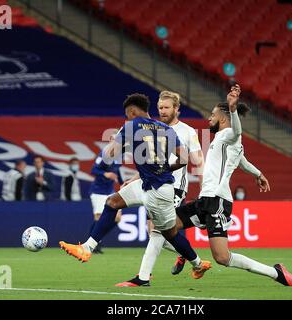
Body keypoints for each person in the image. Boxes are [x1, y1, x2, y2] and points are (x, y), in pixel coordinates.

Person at [59, 93, 211, 280]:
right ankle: (87, 248)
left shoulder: (130, 126)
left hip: (159, 191)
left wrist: (116, 147)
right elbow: (185, 158)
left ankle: (196, 264)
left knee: (168, 233)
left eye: (126, 115)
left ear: (131, 111)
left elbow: (108, 156)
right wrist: (163, 167)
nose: (126, 118)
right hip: (148, 183)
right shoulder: (164, 128)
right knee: (113, 202)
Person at [169, 85, 292, 287]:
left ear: (223, 118)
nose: (208, 119)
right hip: (205, 200)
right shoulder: (223, 141)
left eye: (212, 115)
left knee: (222, 257)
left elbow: (237, 132)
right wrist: (258, 174)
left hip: (217, 201)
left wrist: (232, 108)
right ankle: (190, 257)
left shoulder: (230, 134)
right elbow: (241, 160)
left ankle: (276, 273)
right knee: (168, 226)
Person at [115, 90, 205, 286]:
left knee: (157, 231)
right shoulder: (154, 128)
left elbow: (198, 160)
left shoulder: (188, 131)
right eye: (160, 108)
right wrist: (133, 179)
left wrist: (205, 184)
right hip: (153, 185)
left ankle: (143, 277)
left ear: (176, 109)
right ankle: (187, 255)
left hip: (174, 187)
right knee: (154, 231)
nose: (162, 111)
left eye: (166, 108)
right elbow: (150, 163)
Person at [88, 131, 123, 254]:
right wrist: (105, 173)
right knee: (98, 217)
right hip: (98, 190)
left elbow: (117, 171)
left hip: (109, 190)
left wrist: (122, 183)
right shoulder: (104, 154)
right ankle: (92, 243)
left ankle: (97, 239)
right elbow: (93, 169)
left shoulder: (118, 156)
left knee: (118, 217)